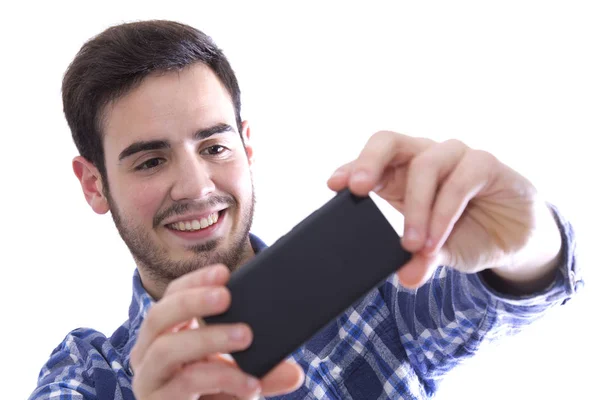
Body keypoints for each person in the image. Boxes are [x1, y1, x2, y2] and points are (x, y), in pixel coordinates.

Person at [28, 19, 582, 400]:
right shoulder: (87, 372)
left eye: (215, 147)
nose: (195, 186)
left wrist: (532, 241)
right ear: (94, 185)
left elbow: (497, 302)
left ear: (248, 147)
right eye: (149, 161)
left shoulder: (371, 304)